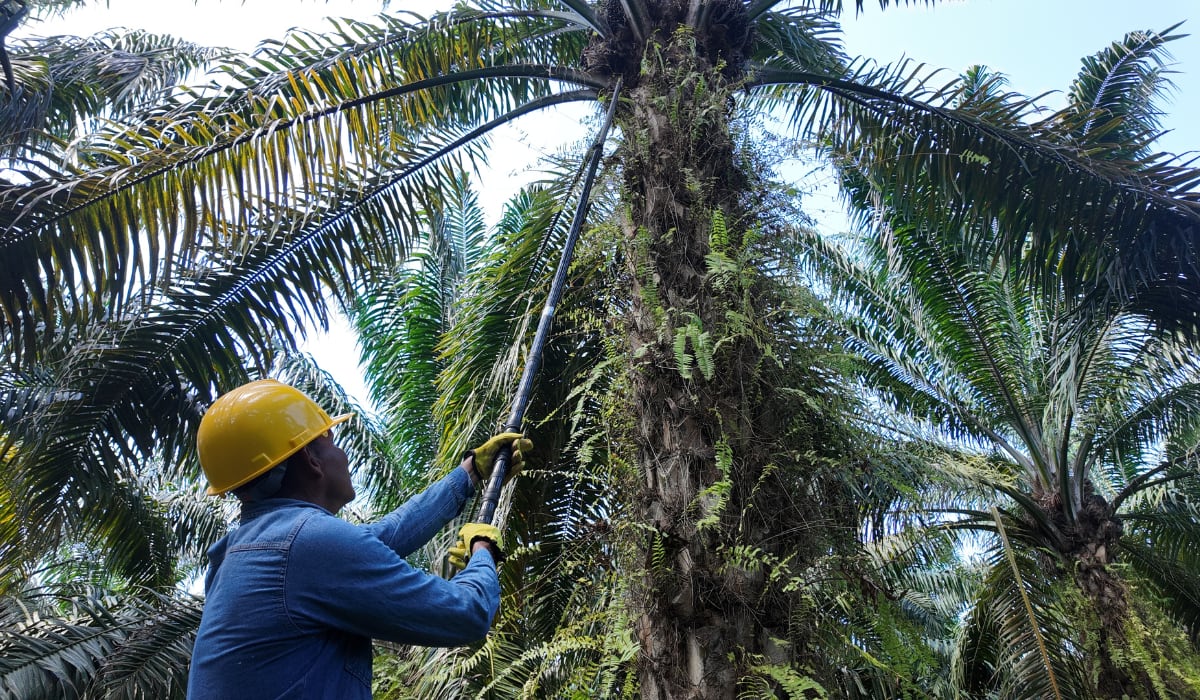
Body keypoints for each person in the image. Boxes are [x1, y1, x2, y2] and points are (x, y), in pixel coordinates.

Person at [186, 379, 530, 699]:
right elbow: (467, 614)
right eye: (331, 441)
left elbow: (387, 534)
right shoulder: (308, 544)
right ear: (311, 460)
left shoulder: (250, 550)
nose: (342, 455)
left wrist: (470, 473)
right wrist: (483, 550)